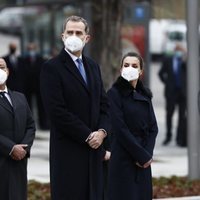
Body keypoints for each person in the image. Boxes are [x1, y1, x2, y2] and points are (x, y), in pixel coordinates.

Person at [40, 15, 110, 200]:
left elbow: (104, 105)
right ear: (62, 36)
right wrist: (87, 136)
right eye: (69, 32)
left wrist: (102, 132)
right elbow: (56, 111)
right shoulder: (52, 68)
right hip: (68, 152)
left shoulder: (93, 67)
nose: (73, 36)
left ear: (87, 38)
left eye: (78, 32)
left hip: (94, 153)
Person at [107, 52, 158, 200]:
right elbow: (120, 128)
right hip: (123, 157)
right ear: (121, 69)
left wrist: (147, 154)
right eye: (126, 65)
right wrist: (140, 154)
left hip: (143, 161)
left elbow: (153, 128)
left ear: (141, 71)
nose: (130, 68)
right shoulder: (114, 93)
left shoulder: (145, 94)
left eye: (134, 66)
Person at [0, 58, 35, 200]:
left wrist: (23, 149)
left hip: (19, 163)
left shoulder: (20, 97)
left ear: (7, 71)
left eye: (2, 67)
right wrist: (10, 148)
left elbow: (31, 125)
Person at [158, 44, 187, 146]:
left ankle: (179, 138)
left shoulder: (185, 61)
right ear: (174, 51)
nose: (179, 52)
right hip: (171, 92)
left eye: (181, 51)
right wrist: (166, 82)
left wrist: (185, 60)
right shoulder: (168, 60)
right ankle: (168, 136)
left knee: (182, 116)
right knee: (169, 114)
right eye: (178, 50)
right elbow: (160, 73)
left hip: (183, 93)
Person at [22, 42, 48, 130]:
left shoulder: (41, 59)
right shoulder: (23, 60)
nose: (31, 51)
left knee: (41, 107)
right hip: (27, 87)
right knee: (28, 107)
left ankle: (43, 124)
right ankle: (29, 125)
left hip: (38, 86)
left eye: (32, 49)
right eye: (29, 49)